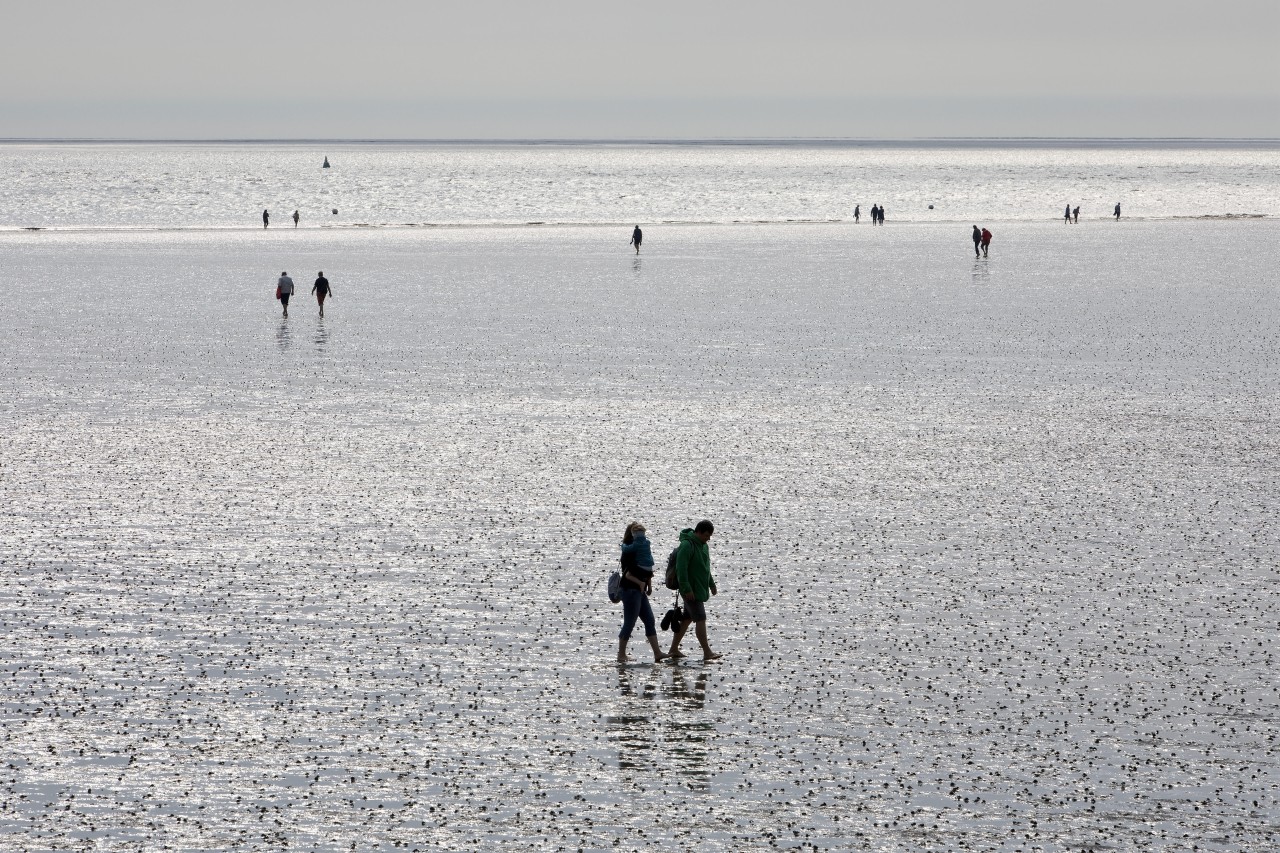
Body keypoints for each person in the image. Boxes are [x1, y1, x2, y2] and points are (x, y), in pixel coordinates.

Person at [668, 520, 721, 661]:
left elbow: (705, 568)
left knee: (687, 618)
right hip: (690, 591)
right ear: (698, 532)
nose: (708, 539)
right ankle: (707, 652)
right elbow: (681, 569)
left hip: (699, 588)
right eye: (706, 535)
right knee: (701, 618)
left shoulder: (704, 547)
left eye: (710, 536)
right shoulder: (687, 545)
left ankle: (673, 649)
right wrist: (686, 588)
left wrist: (712, 584)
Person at [617, 523, 669, 663]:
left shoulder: (643, 548)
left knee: (649, 620)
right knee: (630, 622)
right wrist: (642, 583)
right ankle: (621, 654)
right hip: (630, 590)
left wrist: (649, 585)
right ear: (632, 534)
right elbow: (628, 573)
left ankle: (657, 653)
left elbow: (647, 569)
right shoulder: (629, 550)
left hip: (640, 591)